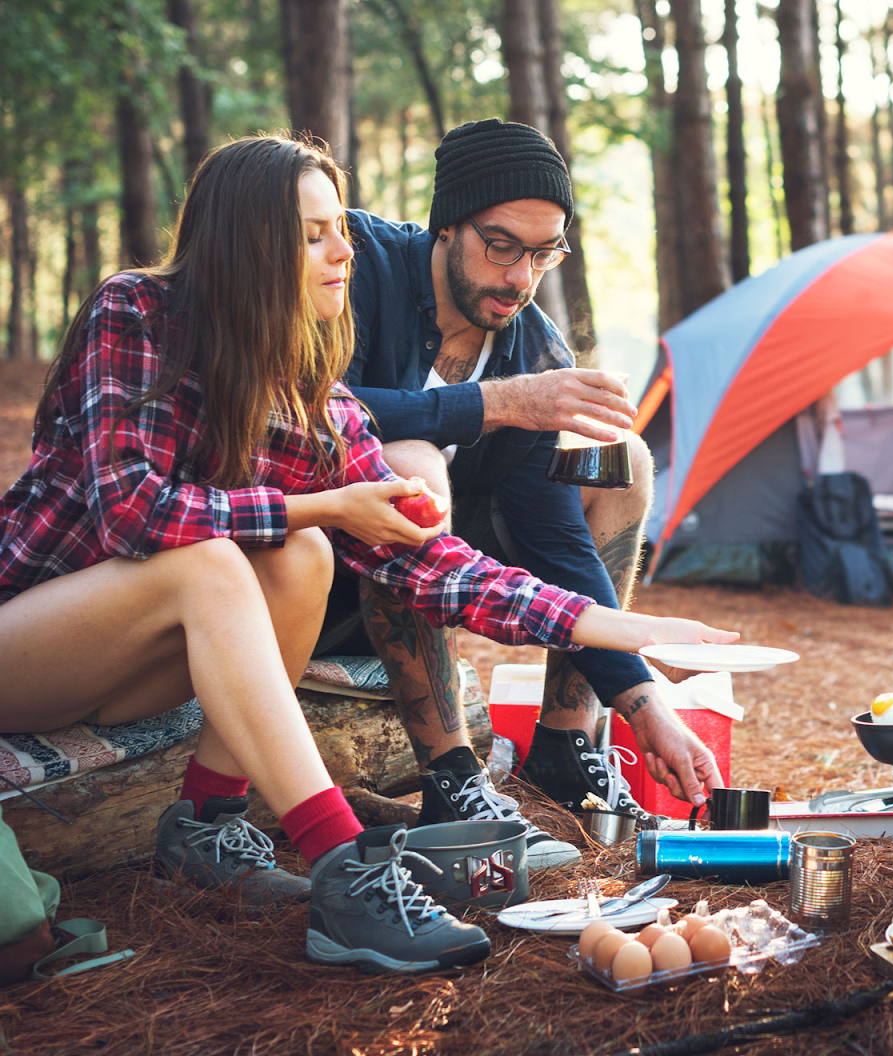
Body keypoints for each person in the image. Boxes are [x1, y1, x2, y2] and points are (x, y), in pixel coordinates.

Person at [0, 134, 735, 972]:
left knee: (302, 554)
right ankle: (346, 870)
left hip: (137, 665)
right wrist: (325, 503)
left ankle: (203, 829)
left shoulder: (304, 378)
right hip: (30, 641)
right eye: (315, 233)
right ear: (248, 241)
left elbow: (428, 562)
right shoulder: (137, 310)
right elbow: (131, 513)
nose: (343, 246)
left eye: (337, 229)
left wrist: (610, 627)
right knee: (221, 557)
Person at [327, 118, 717, 838]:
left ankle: (566, 745)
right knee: (410, 470)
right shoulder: (354, 264)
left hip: (448, 574)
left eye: (544, 254)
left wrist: (645, 704)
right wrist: (494, 404)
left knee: (615, 458)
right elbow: (307, 408)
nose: (519, 278)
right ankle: (451, 778)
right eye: (500, 246)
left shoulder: (533, 345)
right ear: (447, 226)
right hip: (314, 567)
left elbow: (556, 535)